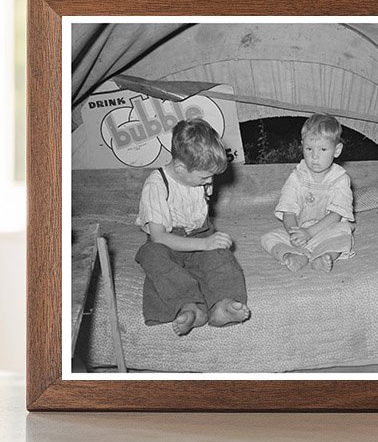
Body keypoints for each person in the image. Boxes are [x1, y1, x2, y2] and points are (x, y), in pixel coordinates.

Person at [135, 118, 250, 336]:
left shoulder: (200, 176)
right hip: (168, 241)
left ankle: (221, 305)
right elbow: (158, 237)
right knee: (151, 255)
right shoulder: (156, 185)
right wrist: (204, 243)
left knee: (222, 256)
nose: (209, 182)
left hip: (200, 235)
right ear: (180, 167)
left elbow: (205, 233)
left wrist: (209, 244)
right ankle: (191, 307)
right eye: (205, 177)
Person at [260, 113, 354, 273]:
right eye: (309, 149)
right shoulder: (297, 176)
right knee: (268, 238)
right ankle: (293, 256)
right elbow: (288, 211)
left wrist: (310, 233)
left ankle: (325, 258)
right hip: (299, 228)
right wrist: (295, 234)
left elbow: (336, 215)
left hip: (326, 231)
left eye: (323, 149)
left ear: (337, 150)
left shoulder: (340, 179)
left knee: (344, 234)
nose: (315, 156)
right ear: (302, 145)